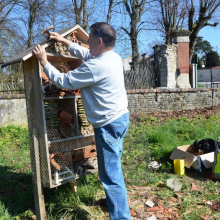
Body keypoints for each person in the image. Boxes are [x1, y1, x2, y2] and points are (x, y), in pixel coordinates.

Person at [33, 22, 131, 220]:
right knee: (114, 169)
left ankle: (121, 216)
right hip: (120, 119)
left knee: (110, 177)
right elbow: (87, 55)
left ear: (99, 41)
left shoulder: (97, 66)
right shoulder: (112, 57)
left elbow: (62, 81)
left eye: (90, 40)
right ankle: (116, 205)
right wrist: (64, 41)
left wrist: (44, 62)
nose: (87, 43)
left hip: (108, 126)